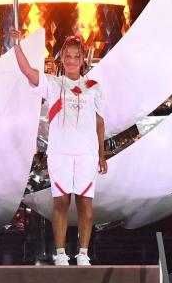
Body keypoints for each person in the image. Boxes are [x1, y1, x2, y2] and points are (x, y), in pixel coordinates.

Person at [9, 27, 108, 266]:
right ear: (61, 59)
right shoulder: (53, 84)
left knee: (86, 203)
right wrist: (16, 45)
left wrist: (102, 156)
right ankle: (61, 253)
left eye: (76, 56)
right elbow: (27, 71)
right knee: (61, 202)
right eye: (68, 56)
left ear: (83, 60)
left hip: (87, 154)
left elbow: (99, 122)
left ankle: (83, 253)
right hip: (60, 153)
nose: (72, 60)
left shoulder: (94, 86)